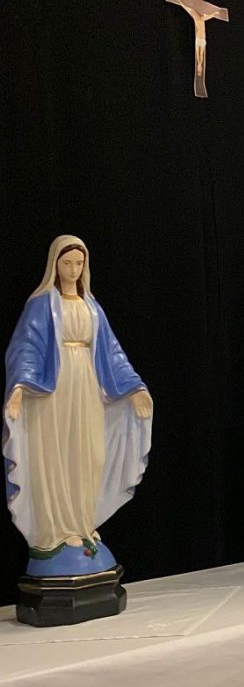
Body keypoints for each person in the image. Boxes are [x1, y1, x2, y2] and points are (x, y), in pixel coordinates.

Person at [3, 235, 152, 566]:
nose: (73, 269)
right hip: (53, 389)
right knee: (59, 454)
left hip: (87, 384)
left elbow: (112, 352)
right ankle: (58, 528)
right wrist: (19, 387)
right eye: (67, 263)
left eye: (79, 264)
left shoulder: (91, 306)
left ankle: (82, 523)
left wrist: (135, 388)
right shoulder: (42, 304)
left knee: (88, 453)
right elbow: (26, 347)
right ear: (54, 265)